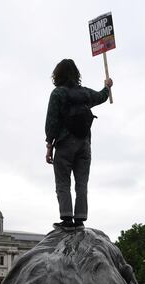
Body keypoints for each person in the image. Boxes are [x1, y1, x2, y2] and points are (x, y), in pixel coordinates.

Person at [44, 58, 112, 230]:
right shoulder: (85, 93)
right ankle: (80, 219)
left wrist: (49, 145)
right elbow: (102, 96)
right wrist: (107, 86)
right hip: (84, 144)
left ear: (57, 75)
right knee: (82, 184)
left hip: (65, 142)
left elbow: (51, 122)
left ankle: (67, 219)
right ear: (76, 74)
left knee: (63, 182)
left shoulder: (58, 94)